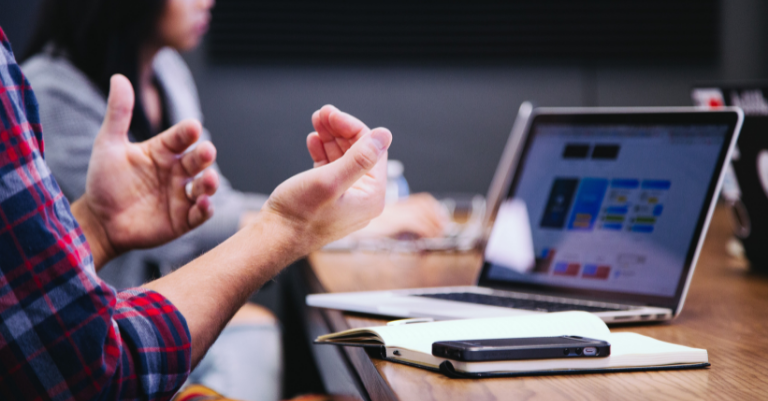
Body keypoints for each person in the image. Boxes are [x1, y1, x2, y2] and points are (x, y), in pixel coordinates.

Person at [21, 1, 446, 398]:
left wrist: (315, 217)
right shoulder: (50, 91)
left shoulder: (167, 71)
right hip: (108, 344)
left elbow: (207, 204)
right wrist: (315, 221)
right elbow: (191, 232)